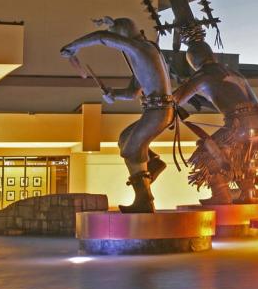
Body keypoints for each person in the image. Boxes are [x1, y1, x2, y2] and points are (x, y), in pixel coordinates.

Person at [60, 16, 174, 213]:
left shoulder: (141, 48)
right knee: (124, 139)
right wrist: (113, 94)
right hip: (155, 110)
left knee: (131, 150)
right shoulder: (143, 54)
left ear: (123, 34)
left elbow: (102, 37)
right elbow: (133, 93)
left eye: (118, 38)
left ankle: (144, 200)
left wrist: (74, 46)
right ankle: (153, 163)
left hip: (158, 111)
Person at [173, 38, 258, 204]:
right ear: (211, 55)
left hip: (239, 123)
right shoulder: (234, 73)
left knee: (206, 152)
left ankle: (221, 194)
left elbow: (175, 100)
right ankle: (248, 192)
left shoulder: (203, 75)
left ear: (193, 62)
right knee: (243, 156)